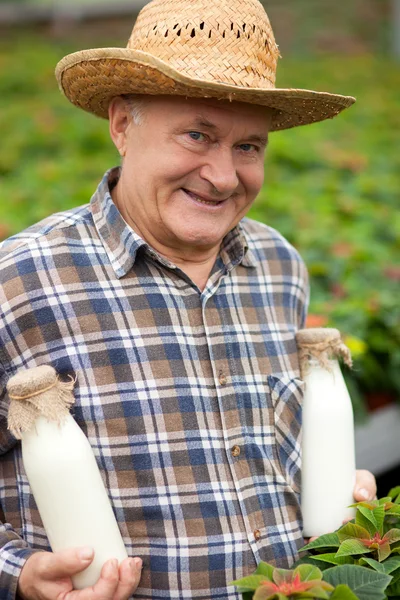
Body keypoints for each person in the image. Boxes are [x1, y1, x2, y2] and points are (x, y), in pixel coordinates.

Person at [0, 0, 376, 599]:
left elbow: (284, 446)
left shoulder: (280, 267)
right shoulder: (18, 282)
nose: (224, 176)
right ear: (123, 125)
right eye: (197, 135)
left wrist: (332, 484)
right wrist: (18, 573)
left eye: (249, 147)